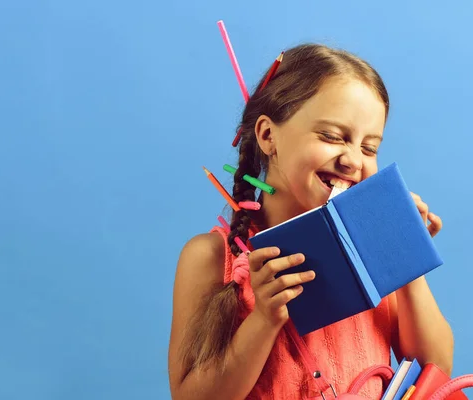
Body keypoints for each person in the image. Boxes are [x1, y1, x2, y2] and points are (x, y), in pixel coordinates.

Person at [168, 43, 454, 400]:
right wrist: (264, 319)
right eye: (332, 137)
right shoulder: (211, 257)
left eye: (369, 148)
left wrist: (408, 256)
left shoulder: (370, 250)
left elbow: (436, 366)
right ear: (268, 136)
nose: (352, 160)